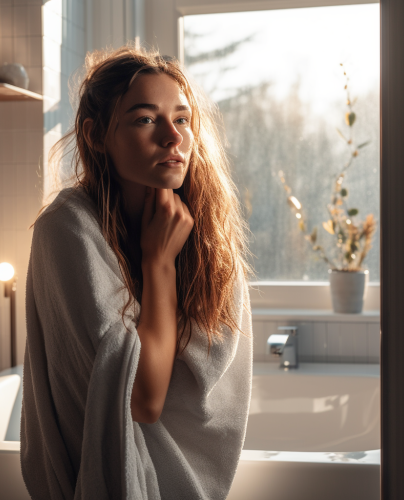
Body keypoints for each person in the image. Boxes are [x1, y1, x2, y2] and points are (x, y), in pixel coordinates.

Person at [20, 45, 253, 500]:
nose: (173, 137)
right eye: (146, 119)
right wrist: (159, 262)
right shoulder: (66, 229)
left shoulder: (207, 234)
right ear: (97, 135)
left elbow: (212, 400)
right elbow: (144, 401)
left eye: (182, 119)